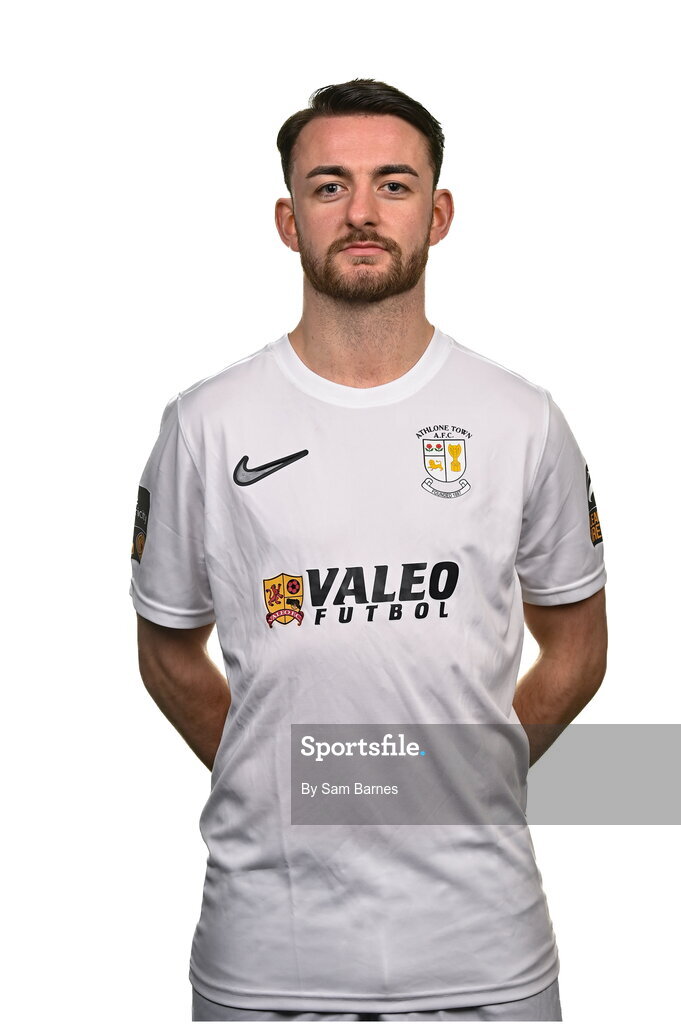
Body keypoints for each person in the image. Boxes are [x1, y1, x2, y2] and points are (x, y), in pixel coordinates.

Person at [130, 79, 607, 1022]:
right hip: (268, 958)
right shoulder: (205, 426)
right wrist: (277, 776)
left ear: (438, 214)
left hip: (485, 957)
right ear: (286, 218)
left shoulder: (519, 420)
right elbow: (166, 651)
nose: (358, 212)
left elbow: (578, 650)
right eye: (327, 185)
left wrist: (462, 772)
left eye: (392, 185)